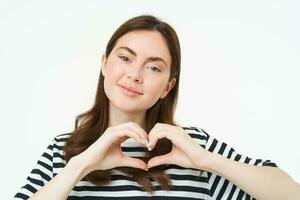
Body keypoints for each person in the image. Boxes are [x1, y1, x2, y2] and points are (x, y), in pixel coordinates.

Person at [14, 15, 300, 200]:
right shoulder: (64, 151)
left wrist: (207, 161)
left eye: (153, 67)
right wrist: (80, 165)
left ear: (167, 87)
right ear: (104, 64)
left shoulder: (191, 147)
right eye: (125, 58)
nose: (135, 74)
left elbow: (290, 194)